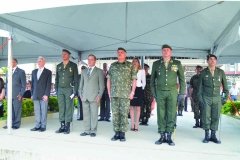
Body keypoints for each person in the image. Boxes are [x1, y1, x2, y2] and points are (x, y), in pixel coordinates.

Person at [150, 44, 185, 146]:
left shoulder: (177, 63)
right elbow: (152, 81)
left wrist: (181, 93)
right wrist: (153, 93)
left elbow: (182, 79)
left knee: (171, 113)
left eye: (167, 50)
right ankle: (162, 135)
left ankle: (169, 135)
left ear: (171, 52)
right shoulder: (156, 64)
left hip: (172, 91)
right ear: (162, 52)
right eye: (164, 50)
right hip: (160, 91)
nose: (165, 51)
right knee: (160, 113)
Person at [107, 47, 137, 142]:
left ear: (125, 54)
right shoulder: (112, 65)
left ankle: (122, 133)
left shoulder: (130, 65)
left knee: (124, 114)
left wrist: (132, 92)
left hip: (125, 94)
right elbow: (109, 79)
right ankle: (116, 133)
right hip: (114, 93)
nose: (120, 54)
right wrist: (109, 92)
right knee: (115, 114)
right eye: (118, 52)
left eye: (122, 52)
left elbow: (134, 79)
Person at [197, 54, 229, 144]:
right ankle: (207, 135)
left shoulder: (220, 72)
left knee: (215, 116)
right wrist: (200, 99)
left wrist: (225, 98)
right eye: (210, 59)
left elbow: (226, 87)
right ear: (207, 61)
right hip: (206, 97)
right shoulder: (203, 73)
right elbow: (199, 88)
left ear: (216, 61)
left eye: (214, 59)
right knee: (206, 116)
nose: (212, 61)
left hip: (217, 98)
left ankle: (213, 135)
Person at [79, 54, 104, 137]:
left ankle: (93, 130)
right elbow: (81, 84)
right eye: (88, 59)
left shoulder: (99, 71)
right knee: (85, 114)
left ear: (95, 61)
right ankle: (86, 130)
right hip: (84, 96)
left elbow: (101, 85)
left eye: (91, 59)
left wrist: (99, 95)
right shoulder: (84, 71)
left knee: (94, 114)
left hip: (94, 97)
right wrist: (80, 93)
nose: (89, 61)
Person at [55, 49, 79, 134]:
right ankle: (62, 125)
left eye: (65, 54)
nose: (63, 56)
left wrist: (75, 90)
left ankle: (67, 126)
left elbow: (76, 79)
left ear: (69, 55)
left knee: (69, 107)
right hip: (60, 89)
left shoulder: (73, 65)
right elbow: (57, 78)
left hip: (69, 89)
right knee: (61, 107)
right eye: (62, 54)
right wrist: (56, 89)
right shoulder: (59, 66)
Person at [30, 56, 52, 132]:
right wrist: (32, 93)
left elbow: (48, 84)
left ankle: (43, 125)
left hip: (44, 95)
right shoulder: (34, 71)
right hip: (35, 94)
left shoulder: (48, 72)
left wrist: (46, 94)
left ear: (44, 62)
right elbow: (32, 84)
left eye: (40, 61)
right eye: (38, 61)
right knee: (37, 111)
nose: (38, 63)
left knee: (43, 111)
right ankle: (37, 125)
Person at [4, 58, 26, 129]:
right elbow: (6, 84)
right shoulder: (8, 72)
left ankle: (16, 124)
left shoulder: (21, 72)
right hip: (9, 95)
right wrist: (6, 93)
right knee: (10, 110)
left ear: (15, 63)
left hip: (17, 95)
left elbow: (23, 84)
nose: (9, 64)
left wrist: (21, 94)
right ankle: (10, 124)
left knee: (17, 110)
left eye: (11, 62)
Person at [130, 58, 146, 131]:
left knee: (138, 108)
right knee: (132, 107)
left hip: (139, 89)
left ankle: (136, 125)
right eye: (134, 61)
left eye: (136, 61)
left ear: (139, 63)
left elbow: (144, 81)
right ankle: (132, 124)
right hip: (131, 88)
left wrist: (141, 88)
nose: (135, 63)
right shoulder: (130, 70)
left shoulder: (142, 71)